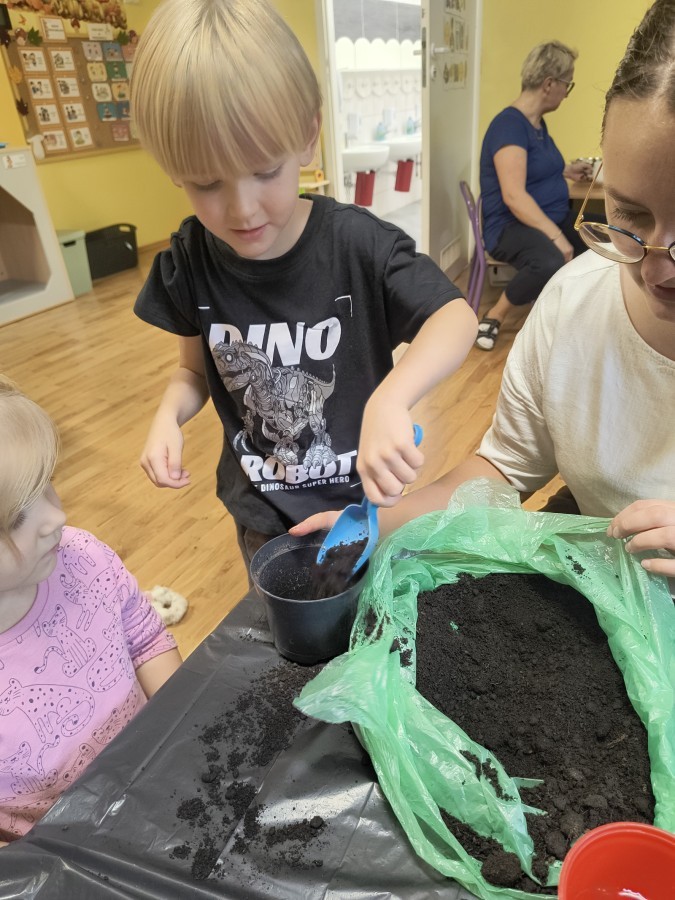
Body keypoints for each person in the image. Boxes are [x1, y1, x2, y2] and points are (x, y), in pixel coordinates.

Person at [294, 0, 675, 580]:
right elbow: (503, 472)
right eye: (628, 214)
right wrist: (377, 524)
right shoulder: (572, 307)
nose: (656, 269)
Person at [130, 0, 477, 574]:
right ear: (173, 170)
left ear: (309, 137)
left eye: (266, 171)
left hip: (358, 508)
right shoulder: (190, 260)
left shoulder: (358, 244)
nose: (242, 209)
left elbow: (456, 317)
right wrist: (168, 416)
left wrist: (391, 398)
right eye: (206, 183)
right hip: (262, 516)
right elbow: (193, 372)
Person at [0, 377, 182, 845]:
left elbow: (146, 639)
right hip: (65, 849)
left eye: (47, 484)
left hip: (157, 781)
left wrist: (182, 725)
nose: (56, 518)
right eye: (17, 516)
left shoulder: (82, 557)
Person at [476, 41, 592, 351]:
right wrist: (557, 237)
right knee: (549, 259)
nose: (566, 94)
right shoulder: (508, 126)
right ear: (549, 84)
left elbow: (532, 167)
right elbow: (514, 196)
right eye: (567, 84)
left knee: (607, 234)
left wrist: (566, 170)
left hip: (549, 215)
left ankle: (577, 313)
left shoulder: (537, 124)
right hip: (509, 226)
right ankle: (493, 316)